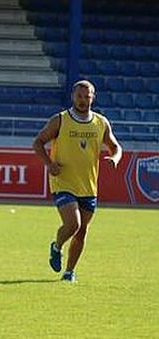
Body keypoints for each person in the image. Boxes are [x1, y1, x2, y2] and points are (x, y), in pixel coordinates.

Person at [33, 80, 122, 282]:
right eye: (79, 96)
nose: (83, 100)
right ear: (73, 96)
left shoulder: (101, 123)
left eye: (87, 97)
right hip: (63, 182)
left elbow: (115, 146)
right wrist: (49, 164)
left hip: (88, 186)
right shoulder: (60, 120)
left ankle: (69, 272)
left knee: (81, 232)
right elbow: (38, 142)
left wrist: (115, 158)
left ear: (93, 97)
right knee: (73, 224)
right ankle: (56, 246)